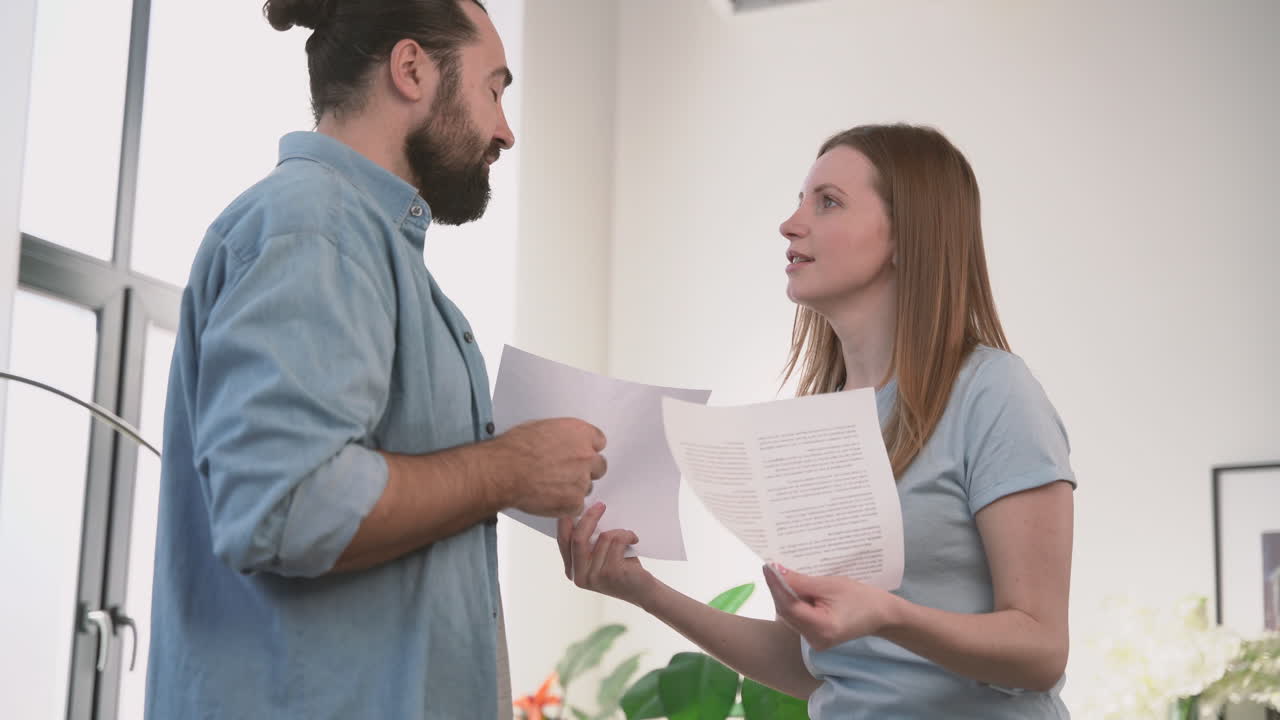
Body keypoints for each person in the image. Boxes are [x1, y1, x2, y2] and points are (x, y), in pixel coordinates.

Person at [145, 1, 608, 718]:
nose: (505, 130)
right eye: (494, 88)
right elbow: (288, 504)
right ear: (412, 68)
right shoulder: (313, 228)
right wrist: (509, 468)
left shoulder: (357, 242)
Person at [561, 124, 1075, 718]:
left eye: (827, 202)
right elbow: (818, 665)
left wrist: (888, 614)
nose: (791, 223)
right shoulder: (818, 420)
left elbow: (1041, 649)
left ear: (908, 237)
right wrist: (642, 590)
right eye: (800, 200)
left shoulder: (992, 392)